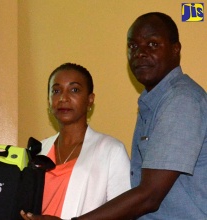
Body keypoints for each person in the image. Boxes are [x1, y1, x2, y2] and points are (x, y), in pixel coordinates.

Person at [20, 12, 207, 220]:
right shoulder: (151, 104)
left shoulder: (181, 100)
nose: (140, 53)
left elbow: (150, 196)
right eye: (133, 46)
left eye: (152, 44)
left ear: (175, 49)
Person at [21, 63, 131, 219]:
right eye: (56, 91)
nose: (63, 98)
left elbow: (125, 214)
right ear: (49, 100)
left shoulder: (111, 150)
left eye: (74, 90)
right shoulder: (38, 150)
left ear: (90, 99)